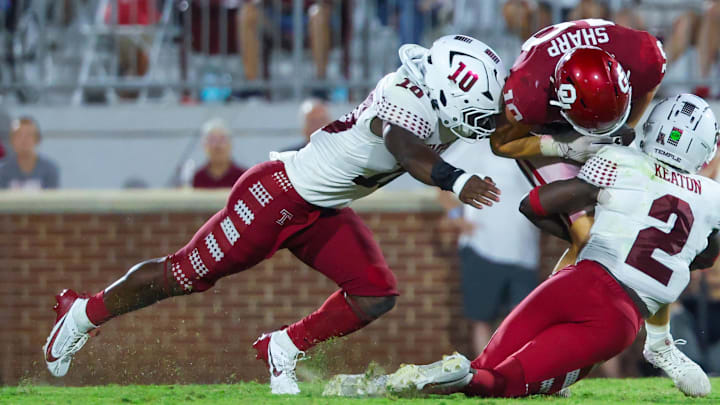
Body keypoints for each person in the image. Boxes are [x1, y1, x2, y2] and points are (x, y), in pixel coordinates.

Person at [42, 35, 506, 395]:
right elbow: (405, 149)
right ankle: (83, 312)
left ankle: (282, 346)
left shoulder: (440, 101)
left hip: (320, 208)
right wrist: (457, 180)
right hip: (276, 197)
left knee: (375, 293)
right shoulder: (402, 98)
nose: (483, 119)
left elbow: (503, 127)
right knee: (183, 274)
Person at [329, 93, 720, 398]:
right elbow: (705, 256)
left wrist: (588, 226)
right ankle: (655, 346)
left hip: (575, 280)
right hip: (617, 317)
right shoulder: (711, 198)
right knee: (498, 385)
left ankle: (381, 386)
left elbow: (534, 205)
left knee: (485, 366)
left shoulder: (623, 161)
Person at [489, 18, 709, 395]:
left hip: (607, 117)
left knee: (642, 227)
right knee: (588, 237)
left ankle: (659, 343)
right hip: (551, 136)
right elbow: (501, 144)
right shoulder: (528, 91)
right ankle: (550, 359)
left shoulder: (644, 57)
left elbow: (647, 87)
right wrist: (559, 147)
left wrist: (622, 129)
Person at [438, 142, 539, 357]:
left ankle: (512, 371)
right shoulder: (479, 145)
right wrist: (457, 219)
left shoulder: (535, 145)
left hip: (525, 252)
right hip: (483, 247)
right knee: (482, 318)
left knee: (520, 319)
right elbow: (440, 179)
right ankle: (486, 370)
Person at [0, 117, 59, 190]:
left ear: (38, 139)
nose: (24, 140)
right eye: (19, 135)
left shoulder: (50, 169)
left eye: (29, 135)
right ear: (11, 140)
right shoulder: (2, 170)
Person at [192, 118, 247, 189]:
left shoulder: (242, 176)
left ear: (230, 144)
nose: (217, 146)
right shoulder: (198, 177)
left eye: (222, 140)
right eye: (212, 140)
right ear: (204, 145)